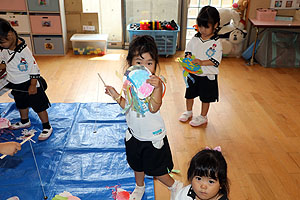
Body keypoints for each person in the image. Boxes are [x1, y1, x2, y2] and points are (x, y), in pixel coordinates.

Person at [105, 35, 183, 200]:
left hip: (152, 136)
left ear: (155, 64)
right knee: (137, 165)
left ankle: (175, 186)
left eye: (149, 63)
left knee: (157, 170)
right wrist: (115, 95)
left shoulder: (157, 84)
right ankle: (139, 187)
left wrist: (156, 89)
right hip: (134, 133)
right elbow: (127, 106)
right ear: (130, 63)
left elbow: (154, 108)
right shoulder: (129, 83)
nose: (144, 67)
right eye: (139, 62)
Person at [0, 18, 52, 140]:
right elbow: (4, 62)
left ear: (10, 35)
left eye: (2, 42)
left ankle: (47, 126)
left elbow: (35, 69)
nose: (0, 45)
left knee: (39, 106)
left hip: (30, 84)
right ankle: (25, 121)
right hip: (15, 83)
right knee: (21, 104)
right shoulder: (4, 49)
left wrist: (33, 85)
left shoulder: (24, 51)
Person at [179, 6, 222, 127]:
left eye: (206, 26)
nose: (202, 29)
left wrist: (202, 62)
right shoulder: (196, 38)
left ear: (215, 25)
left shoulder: (216, 42)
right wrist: (187, 57)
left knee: (205, 97)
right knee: (189, 94)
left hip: (207, 75)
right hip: (193, 73)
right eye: (200, 26)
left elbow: (215, 61)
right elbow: (189, 49)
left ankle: (203, 116)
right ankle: (188, 111)